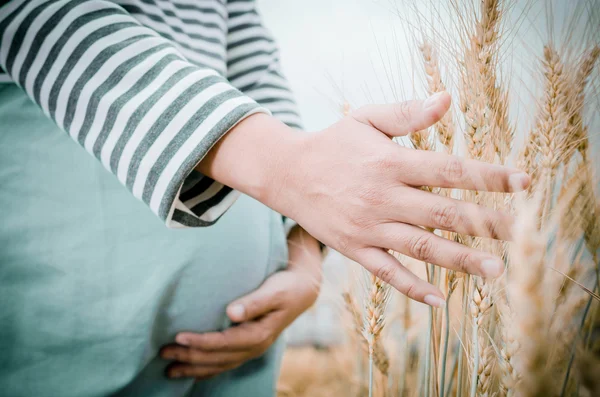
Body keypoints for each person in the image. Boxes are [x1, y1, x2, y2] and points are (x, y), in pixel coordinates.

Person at [0, 1, 530, 396]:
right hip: (67, 335)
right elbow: (38, 21)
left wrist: (303, 250)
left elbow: (254, 75)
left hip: (241, 359)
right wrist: (289, 168)